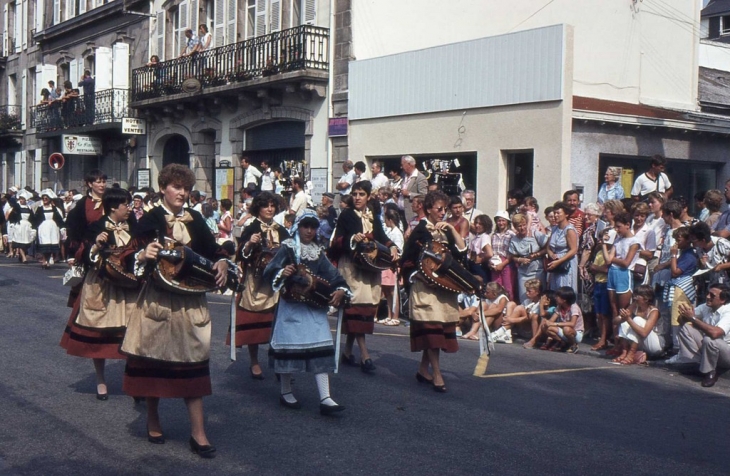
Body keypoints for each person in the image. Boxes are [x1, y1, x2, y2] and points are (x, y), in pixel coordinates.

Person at [121, 164, 228, 458]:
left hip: (190, 302)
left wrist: (222, 263)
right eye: (176, 187)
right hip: (157, 300)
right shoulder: (151, 218)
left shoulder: (196, 219)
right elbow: (128, 253)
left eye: (186, 189)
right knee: (154, 362)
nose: (182, 193)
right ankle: (153, 418)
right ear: (163, 188)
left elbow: (214, 250)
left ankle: (199, 433)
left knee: (193, 364)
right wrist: (142, 254)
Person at [263, 210, 349, 413]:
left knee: (321, 345)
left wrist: (340, 289)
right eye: (305, 226)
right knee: (288, 347)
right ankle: (286, 391)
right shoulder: (288, 248)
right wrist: (281, 273)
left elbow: (334, 275)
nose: (309, 231)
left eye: (313, 227)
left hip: (313, 308)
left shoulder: (318, 252)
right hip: (291, 308)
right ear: (298, 227)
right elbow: (269, 271)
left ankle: (326, 397)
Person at [62, 188, 137, 400]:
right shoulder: (96, 226)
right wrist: (95, 246)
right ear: (114, 207)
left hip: (128, 285)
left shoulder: (133, 225)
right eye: (126, 205)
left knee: (134, 332)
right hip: (102, 284)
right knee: (99, 335)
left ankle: (133, 378)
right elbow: (83, 255)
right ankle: (101, 379)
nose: (129, 208)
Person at [400, 190, 467, 392]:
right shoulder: (420, 231)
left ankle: (423, 369)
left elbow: (462, 253)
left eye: (445, 209)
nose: (443, 213)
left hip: (444, 289)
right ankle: (437, 374)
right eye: (439, 209)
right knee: (432, 332)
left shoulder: (446, 231)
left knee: (437, 331)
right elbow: (407, 260)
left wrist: (452, 230)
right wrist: (418, 276)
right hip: (425, 290)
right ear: (428, 209)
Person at [331, 181, 397, 372]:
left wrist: (391, 245)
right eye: (355, 194)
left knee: (366, 308)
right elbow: (337, 240)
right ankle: (365, 356)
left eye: (361, 194)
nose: (357, 198)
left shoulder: (373, 215)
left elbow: (381, 235)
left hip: (370, 266)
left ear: (368, 196)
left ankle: (347, 352)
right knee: (356, 306)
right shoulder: (346, 215)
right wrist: (353, 239)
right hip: (352, 266)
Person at [227, 191, 289, 379]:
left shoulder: (281, 229)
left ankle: (279, 361)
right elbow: (240, 255)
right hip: (256, 282)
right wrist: (248, 244)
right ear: (258, 208)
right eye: (265, 205)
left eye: (272, 205)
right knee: (254, 324)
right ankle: (254, 361)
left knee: (279, 326)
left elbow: (290, 251)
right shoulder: (252, 227)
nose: (269, 209)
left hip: (276, 284)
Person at [673, 284, 730, 387]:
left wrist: (693, 319)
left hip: (726, 353)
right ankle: (695, 363)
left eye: (712, 295)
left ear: (722, 300)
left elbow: (715, 333)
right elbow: (683, 320)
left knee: (710, 339)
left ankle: (710, 372)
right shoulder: (706, 306)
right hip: (709, 346)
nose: (708, 297)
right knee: (685, 328)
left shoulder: (728, 311)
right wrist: (684, 314)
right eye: (708, 293)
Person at [603, 212, 641, 343]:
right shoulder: (618, 239)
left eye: (619, 227)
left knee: (623, 310)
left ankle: (624, 343)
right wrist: (604, 244)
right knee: (613, 309)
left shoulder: (634, 242)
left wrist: (613, 258)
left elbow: (626, 262)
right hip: (613, 273)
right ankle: (616, 343)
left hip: (624, 275)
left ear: (627, 225)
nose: (617, 230)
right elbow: (608, 260)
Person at [612, 285, 663, 364]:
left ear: (646, 298)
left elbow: (644, 333)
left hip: (655, 346)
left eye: (638, 295)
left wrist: (628, 319)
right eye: (635, 295)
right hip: (641, 343)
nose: (635, 297)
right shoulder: (635, 305)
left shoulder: (654, 311)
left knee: (636, 320)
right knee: (624, 322)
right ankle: (624, 352)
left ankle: (631, 353)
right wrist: (622, 317)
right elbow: (615, 321)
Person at [508, 213, 547, 303]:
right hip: (523, 272)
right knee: (525, 297)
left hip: (537, 270)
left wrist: (536, 255)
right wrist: (520, 259)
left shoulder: (534, 234)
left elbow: (547, 248)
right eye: (519, 226)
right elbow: (512, 256)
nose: (522, 228)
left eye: (523, 225)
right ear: (515, 227)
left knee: (538, 295)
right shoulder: (514, 239)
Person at [540, 286, 585, 353]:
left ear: (564, 300)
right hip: (564, 331)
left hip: (575, 333)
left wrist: (554, 324)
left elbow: (572, 324)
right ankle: (562, 342)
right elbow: (551, 321)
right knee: (545, 326)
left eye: (557, 297)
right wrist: (547, 322)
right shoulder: (559, 307)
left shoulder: (574, 307)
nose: (555, 298)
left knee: (566, 329)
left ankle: (573, 345)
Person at [546, 201, 579, 292]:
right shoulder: (554, 229)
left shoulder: (569, 230)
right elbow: (548, 247)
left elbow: (573, 250)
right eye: (555, 213)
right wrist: (552, 254)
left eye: (558, 213)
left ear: (566, 214)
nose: (556, 215)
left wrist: (559, 261)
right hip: (555, 263)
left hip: (566, 263)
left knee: (564, 289)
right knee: (554, 289)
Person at [380, 208, 404, 326]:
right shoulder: (390, 231)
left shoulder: (397, 233)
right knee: (387, 291)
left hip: (393, 265)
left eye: (386, 219)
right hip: (386, 264)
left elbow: (399, 250)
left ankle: (395, 316)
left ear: (390, 219)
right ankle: (389, 315)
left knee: (394, 292)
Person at [32, 189, 65, 269]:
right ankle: (44, 260)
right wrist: (33, 229)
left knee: (51, 245)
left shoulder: (55, 209)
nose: (45, 200)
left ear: (50, 199)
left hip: (53, 228)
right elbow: (35, 220)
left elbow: (59, 219)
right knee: (44, 244)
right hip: (43, 228)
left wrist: (62, 228)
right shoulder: (40, 209)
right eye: (43, 198)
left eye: (46, 198)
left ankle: (48, 259)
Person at [490, 211, 515, 300]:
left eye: (503, 220)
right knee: (496, 286)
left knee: (508, 286)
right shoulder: (494, 235)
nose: (501, 223)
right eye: (499, 221)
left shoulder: (511, 234)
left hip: (507, 262)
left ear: (507, 222)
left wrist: (502, 264)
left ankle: (509, 306)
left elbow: (512, 253)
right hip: (495, 262)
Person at [400, 155, 428, 224]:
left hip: (412, 214)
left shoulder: (420, 178)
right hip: (401, 213)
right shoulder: (404, 176)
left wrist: (409, 194)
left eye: (402, 164)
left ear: (409, 164)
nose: (401, 167)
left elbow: (424, 195)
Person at [7, 190, 34, 263]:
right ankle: (24, 257)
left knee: (25, 242)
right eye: (20, 198)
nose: (21, 200)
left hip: (27, 226)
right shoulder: (17, 206)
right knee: (20, 242)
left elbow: (32, 217)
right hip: (19, 225)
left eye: (23, 199)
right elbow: (12, 216)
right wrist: (12, 223)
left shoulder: (29, 207)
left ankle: (22, 255)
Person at [467, 214, 493, 282]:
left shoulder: (484, 237)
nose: (477, 225)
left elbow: (489, 253)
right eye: (476, 223)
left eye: (480, 224)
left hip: (480, 268)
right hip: (472, 266)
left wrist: (480, 259)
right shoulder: (477, 236)